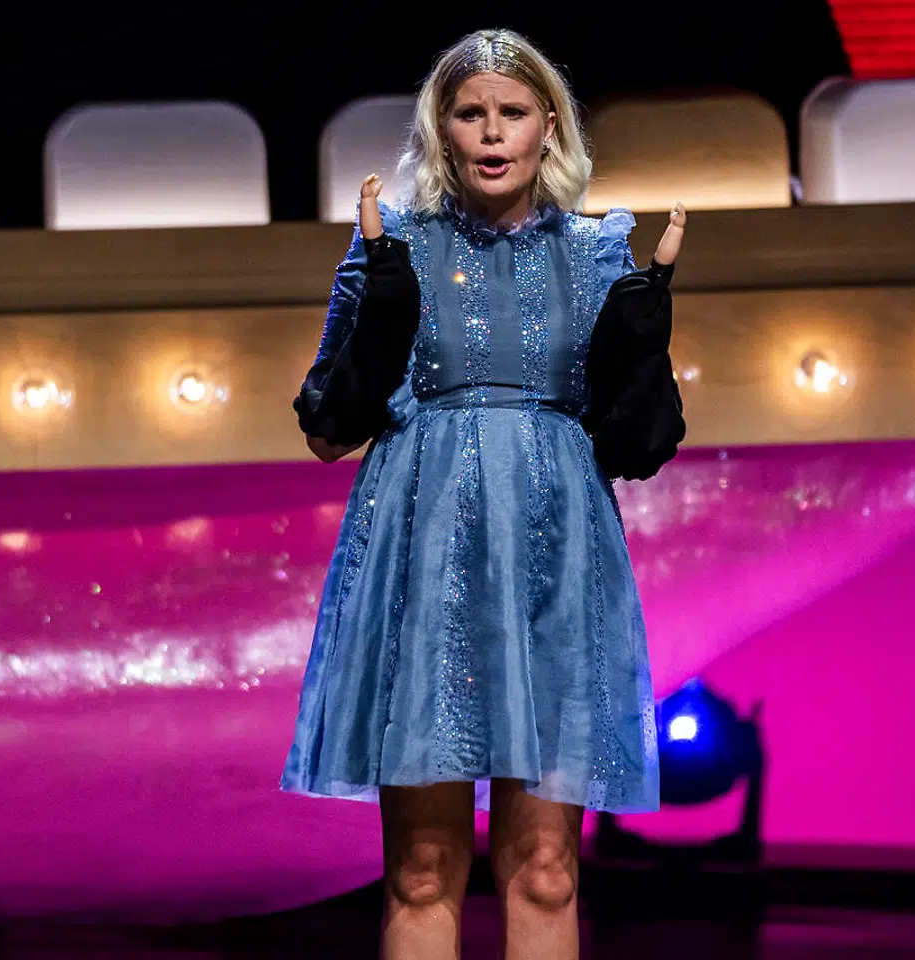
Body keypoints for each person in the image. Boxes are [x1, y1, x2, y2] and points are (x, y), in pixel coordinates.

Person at [282, 28, 687, 960]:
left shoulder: (597, 251)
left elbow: (636, 438)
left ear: (549, 127)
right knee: (423, 869)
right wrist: (379, 321)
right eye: (471, 113)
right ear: (443, 130)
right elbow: (325, 433)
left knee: (546, 870)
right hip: (424, 555)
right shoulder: (393, 246)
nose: (493, 132)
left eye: (512, 112)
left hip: (556, 555)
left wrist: (645, 340)